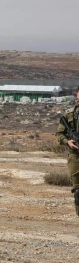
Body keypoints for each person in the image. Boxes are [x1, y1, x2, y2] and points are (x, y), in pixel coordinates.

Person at [56, 86, 79, 217]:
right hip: (75, 157)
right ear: (77, 95)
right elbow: (59, 134)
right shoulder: (70, 114)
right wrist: (68, 142)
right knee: (78, 192)